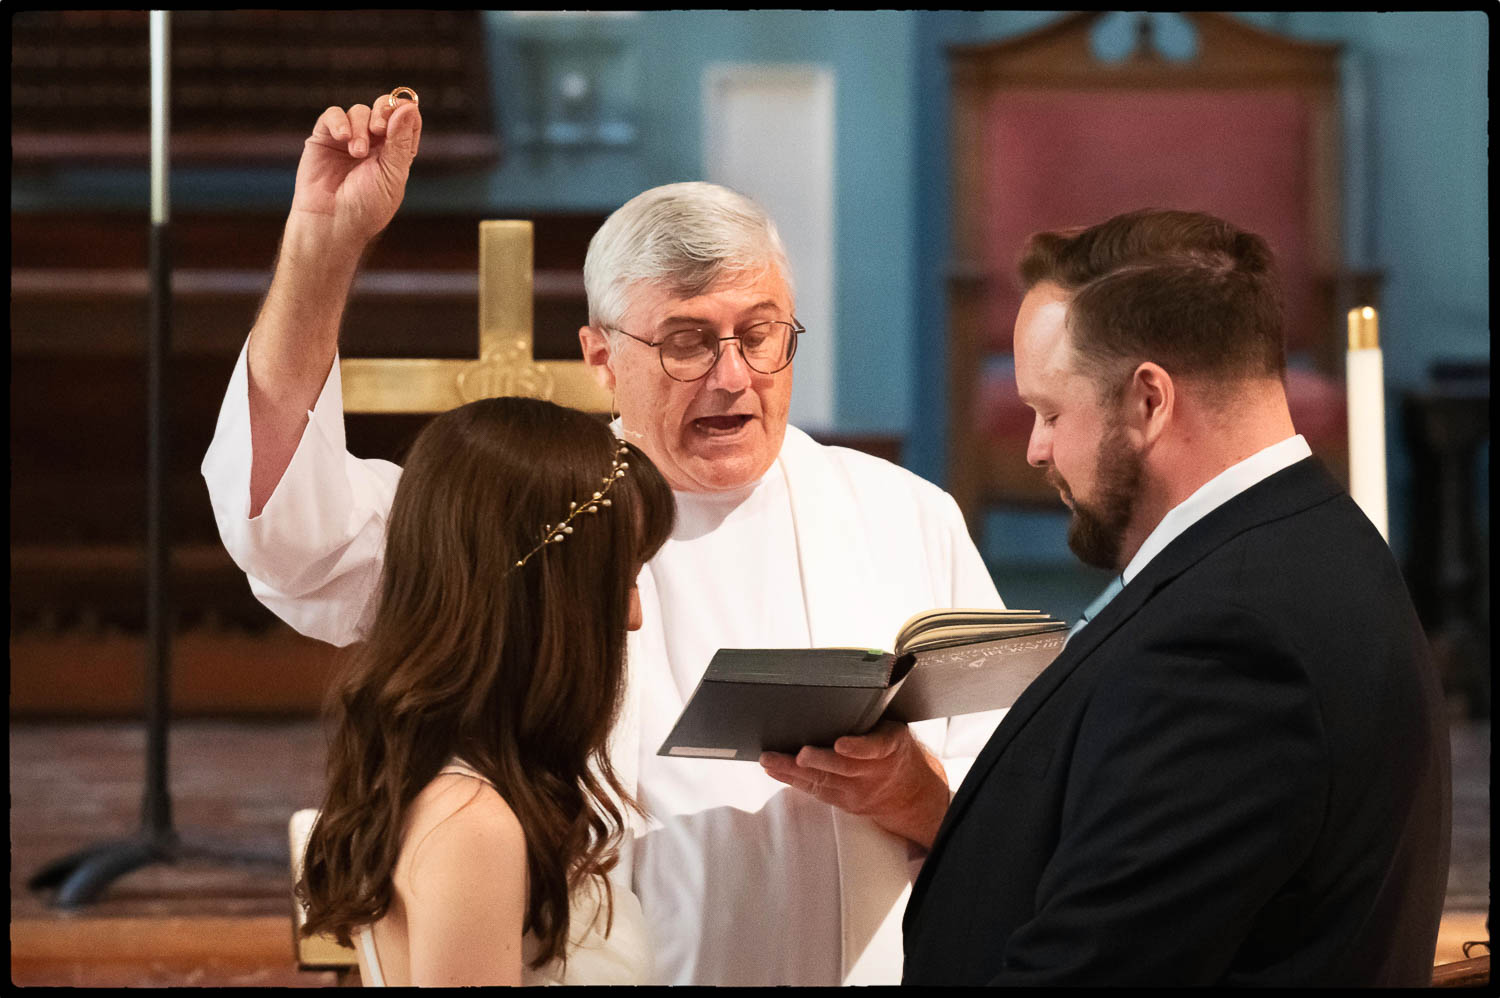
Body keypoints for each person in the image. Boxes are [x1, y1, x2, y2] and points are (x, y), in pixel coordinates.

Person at [202, 93, 1008, 985]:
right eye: (687, 342)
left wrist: (917, 794)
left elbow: (1017, 802)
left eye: (760, 334)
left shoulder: (901, 516)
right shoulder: (523, 516)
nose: (733, 376)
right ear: (599, 356)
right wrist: (323, 245)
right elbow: (284, 525)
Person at [901, 209, 1452, 986]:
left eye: (1052, 412)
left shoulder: (1228, 644)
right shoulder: (1298, 545)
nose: (1035, 447)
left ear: (1149, 401)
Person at [296, 396, 675, 985]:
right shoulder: (473, 824)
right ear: (546, 600)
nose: (633, 617)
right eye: (619, 579)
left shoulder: (465, 789)